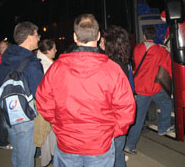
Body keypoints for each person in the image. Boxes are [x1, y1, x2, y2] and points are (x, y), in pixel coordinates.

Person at [36, 14, 136, 167]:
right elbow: (126, 108)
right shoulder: (112, 70)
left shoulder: (57, 68)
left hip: (67, 142)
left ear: (75, 37)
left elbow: (43, 101)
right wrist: (113, 131)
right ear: (98, 36)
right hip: (100, 144)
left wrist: (58, 123)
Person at [0, 22, 44, 167]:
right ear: (29, 37)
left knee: (17, 152)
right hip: (24, 115)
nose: (38, 39)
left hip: (7, 111)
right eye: (37, 35)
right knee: (26, 158)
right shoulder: (31, 62)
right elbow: (40, 93)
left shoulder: (7, 56)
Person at [124, 26, 173, 155]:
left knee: (138, 118)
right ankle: (163, 128)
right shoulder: (161, 51)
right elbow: (168, 68)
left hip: (140, 88)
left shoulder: (137, 49)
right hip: (155, 88)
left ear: (144, 36)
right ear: (154, 36)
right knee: (167, 103)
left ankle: (130, 145)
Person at [100, 25, 132, 167]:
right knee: (118, 153)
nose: (101, 43)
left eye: (103, 41)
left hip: (111, 118)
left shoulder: (110, 64)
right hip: (120, 117)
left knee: (112, 154)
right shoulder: (123, 60)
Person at [34, 39, 57, 167]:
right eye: (54, 49)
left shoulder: (46, 63)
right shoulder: (45, 65)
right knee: (46, 132)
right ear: (47, 51)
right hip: (47, 104)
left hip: (46, 103)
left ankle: (49, 156)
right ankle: (47, 158)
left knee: (48, 132)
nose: (56, 51)